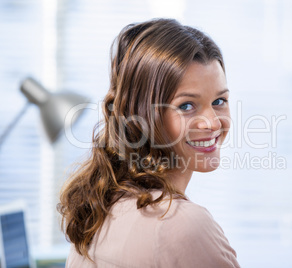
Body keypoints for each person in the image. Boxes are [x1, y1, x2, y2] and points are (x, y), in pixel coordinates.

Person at [58, 18, 240, 268]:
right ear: (142, 115)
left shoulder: (103, 207)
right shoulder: (181, 223)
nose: (212, 123)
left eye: (220, 101)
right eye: (186, 106)